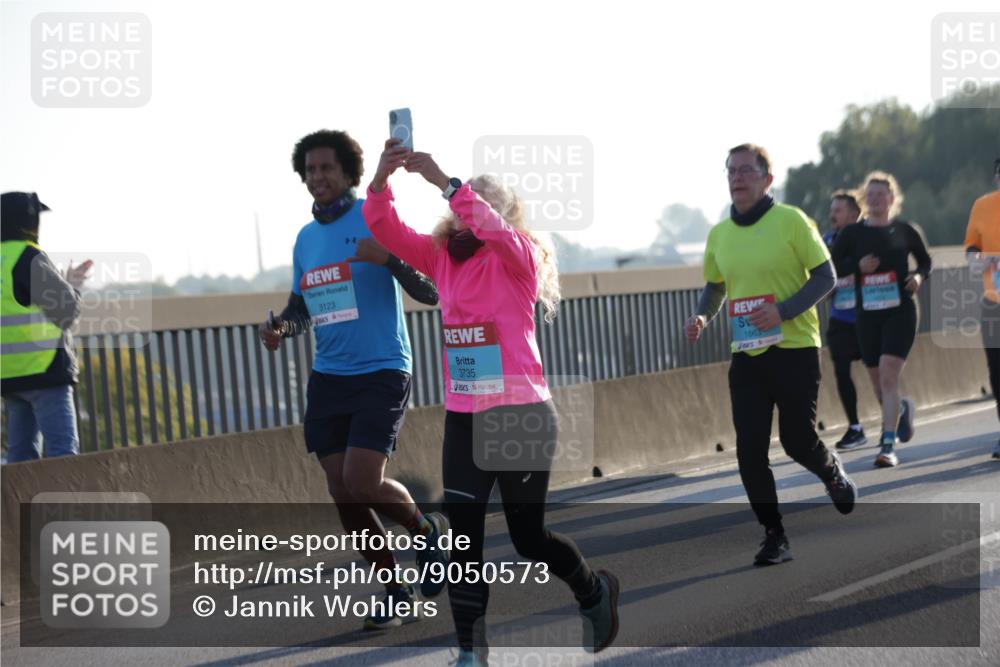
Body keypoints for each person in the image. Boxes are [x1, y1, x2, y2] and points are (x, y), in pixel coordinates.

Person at [362, 138, 619, 665]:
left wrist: (445, 182)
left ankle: (593, 590)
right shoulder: (441, 257)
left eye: (484, 200)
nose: (469, 206)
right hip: (465, 418)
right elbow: (386, 229)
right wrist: (382, 179)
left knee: (529, 539)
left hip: (521, 415)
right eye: (466, 200)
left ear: (504, 214)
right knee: (464, 541)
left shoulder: (519, 256)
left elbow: (493, 229)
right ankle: (470, 652)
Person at [257, 130, 447, 631]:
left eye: (326, 168)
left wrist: (388, 258)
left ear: (348, 172)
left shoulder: (374, 218)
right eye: (310, 170)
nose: (317, 177)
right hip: (329, 378)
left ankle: (425, 530)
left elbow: (431, 289)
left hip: (382, 368)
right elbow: (301, 309)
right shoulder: (305, 239)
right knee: (343, 492)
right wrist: (280, 329)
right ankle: (396, 591)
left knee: (363, 481)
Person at [685, 144, 857, 567]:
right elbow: (716, 286)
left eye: (746, 170)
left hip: (795, 348)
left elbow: (826, 276)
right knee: (749, 449)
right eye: (731, 171)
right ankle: (774, 534)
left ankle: (830, 471)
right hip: (746, 355)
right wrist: (703, 316)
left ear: (767, 179)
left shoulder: (791, 221)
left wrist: (783, 311)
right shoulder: (719, 234)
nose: (737, 177)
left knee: (797, 441)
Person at [831, 171, 931, 468]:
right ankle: (900, 408)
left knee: (889, 374)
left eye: (881, 194)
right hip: (867, 315)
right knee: (878, 383)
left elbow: (925, 261)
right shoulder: (852, 234)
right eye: (870, 194)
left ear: (892, 198)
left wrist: (917, 277)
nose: (875, 199)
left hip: (901, 311)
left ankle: (888, 445)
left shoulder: (905, 230)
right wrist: (857, 265)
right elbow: (832, 265)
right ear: (865, 199)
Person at [1, 192, 90, 463]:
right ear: (28, 222)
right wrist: (73, 286)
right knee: (64, 456)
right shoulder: (28, 256)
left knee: (20, 459)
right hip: (45, 370)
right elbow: (66, 311)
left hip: (9, 375)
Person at [823, 190, 868, 450]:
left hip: (868, 316)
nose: (833, 215)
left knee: (878, 372)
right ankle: (855, 427)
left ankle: (895, 413)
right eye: (832, 210)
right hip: (840, 317)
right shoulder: (827, 241)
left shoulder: (867, 237)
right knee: (841, 371)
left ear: (854, 214)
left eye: (838, 210)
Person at [962, 157, 1000, 460]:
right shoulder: (983, 206)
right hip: (994, 302)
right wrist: (978, 261)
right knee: (997, 370)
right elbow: (971, 248)